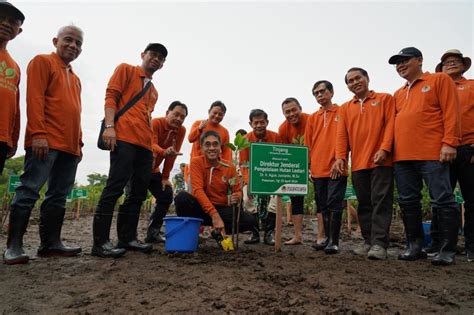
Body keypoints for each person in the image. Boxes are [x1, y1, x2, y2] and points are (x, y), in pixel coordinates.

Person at [4, 25, 83, 265]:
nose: (73, 46)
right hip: (45, 142)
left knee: (58, 196)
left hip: (70, 147)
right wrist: (38, 133)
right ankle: (13, 247)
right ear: (55, 41)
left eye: (78, 43)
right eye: (68, 40)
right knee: (29, 190)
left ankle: (50, 244)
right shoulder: (42, 62)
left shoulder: (76, 77)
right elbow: (35, 98)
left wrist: (78, 143)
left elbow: (75, 112)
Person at [92, 43, 167, 258]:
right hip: (123, 137)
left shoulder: (154, 91)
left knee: (138, 192)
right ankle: (100, 243)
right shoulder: (126, 69)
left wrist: (152, 148)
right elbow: (111, 96)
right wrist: (109, 127)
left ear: (162, 65)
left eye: (160, 58)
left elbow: (147, 116)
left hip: (145, 145)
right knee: (114, 187)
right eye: (153, 54)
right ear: (143, 55)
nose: (156, 59)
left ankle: (127, 237)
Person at [389, 47, 461, 265]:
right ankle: (415, 246)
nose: (400, 66)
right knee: (408, 201)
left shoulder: (439, 80)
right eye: (397, 63)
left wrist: (449, 143)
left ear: (419, 60)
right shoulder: (399, 93)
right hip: (402, 157)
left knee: (443, 199)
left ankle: (447, 250)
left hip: (432, 153)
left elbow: (451, 112)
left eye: (404, 60)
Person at [333, 68, 395, 260]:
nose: (355, 82)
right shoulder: (345, 108)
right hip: (359, 163)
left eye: (358, 78)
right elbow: (342, 135)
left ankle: (379, 244)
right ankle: (368, 240)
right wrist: (340, 157)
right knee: (365, 204)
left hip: (381, 162)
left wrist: (384, 149)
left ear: (367, 78)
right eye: (350, 81)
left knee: (381, 202)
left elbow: (391, 124)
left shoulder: (385, 99)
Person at [174, 130, 255, 237]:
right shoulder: (196, 162)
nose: (212, 148)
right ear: (202, 148)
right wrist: (214, 215)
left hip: (221, 208)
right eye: (207, 144)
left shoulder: (229, 167)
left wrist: (236, 197)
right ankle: (191, 233)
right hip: (201, 209)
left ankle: (218, 233)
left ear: (220, 147)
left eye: (215, 144)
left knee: (249, 221)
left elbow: (237, 190)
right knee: (182, 198)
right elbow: (198, 191)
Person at [435, 49, 473, 262]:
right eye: (447, 62)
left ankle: (472, 245)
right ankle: (440, 243)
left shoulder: (472, 86)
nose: (451, 64)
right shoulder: (436, 89)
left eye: (455, 61)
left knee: (471, 200)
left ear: (463, 65)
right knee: (440, 198)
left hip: (468, 147)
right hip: (442, 149)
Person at [305, 80, 347, 254]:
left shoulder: (342, 111)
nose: (320, 95)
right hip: (317, 168)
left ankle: (334, 241)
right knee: (322, 205)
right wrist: (308, 166)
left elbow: (345, 137)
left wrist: (341, 158)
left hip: (336, 167)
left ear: (331, 92)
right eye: (316, 93)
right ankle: (327, 239)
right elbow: (308, 143)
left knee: (334, 203)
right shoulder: (313, 118)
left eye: (322, 91)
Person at [145, 101, 187, 243]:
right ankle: (127, 237)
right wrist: (164, 151)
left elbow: (173, 154)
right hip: (139, 167)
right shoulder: (156, 123)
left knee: (166, 194)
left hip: (154, 170)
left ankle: (153, 232)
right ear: (167, 113)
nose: (179, 119)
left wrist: (165, 177)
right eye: (176, 114)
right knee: (134, 197)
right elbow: (152, 144)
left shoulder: (181, 130)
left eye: (182, 117)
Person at [239, 109, 282, 245]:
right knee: (247, 198)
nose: (259, 125)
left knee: (276, 201)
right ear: (250, 124)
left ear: (267, 122)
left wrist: (276, 181)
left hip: (273, 176)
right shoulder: (245, 140)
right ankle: (254, 233)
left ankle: (269, 233)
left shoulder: (276, 137)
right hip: (252, 177)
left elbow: (281, 159)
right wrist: (249, 183)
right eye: (255, 123)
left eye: (262, 122)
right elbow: (244, 164)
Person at [278, 97, 309, 245]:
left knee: (325, 199)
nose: (291, 114)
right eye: (287, 112)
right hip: (297, 168)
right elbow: (286, 152)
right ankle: (298, 236)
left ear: (300, 108)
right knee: (296, 199)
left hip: (317, 163)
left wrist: (312, 167)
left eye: (293, 110)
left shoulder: (311, 120)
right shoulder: (283, 128)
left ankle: (323, 236)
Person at [0, 1, 23, 175]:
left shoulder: (14, 67)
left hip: (1, 138)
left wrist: (13, 139)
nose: (6, 23)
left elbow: (15, 106)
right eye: (1, 18)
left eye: (13, 22)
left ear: (19, 31)